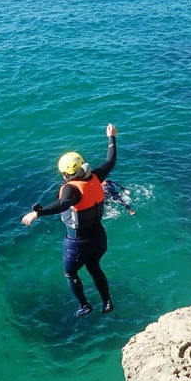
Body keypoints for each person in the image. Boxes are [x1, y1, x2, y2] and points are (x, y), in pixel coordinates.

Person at [21, 124, 118, 317]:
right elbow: (111, 160)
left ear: (65, 173)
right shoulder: (96, 177)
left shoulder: (70, 188)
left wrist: (38, 213)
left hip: (78, 243)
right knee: (94, 267)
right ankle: (107, 302)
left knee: (71, 273)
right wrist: (112, 137)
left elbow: (63, 204)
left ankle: (84, 305)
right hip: (99, 237)